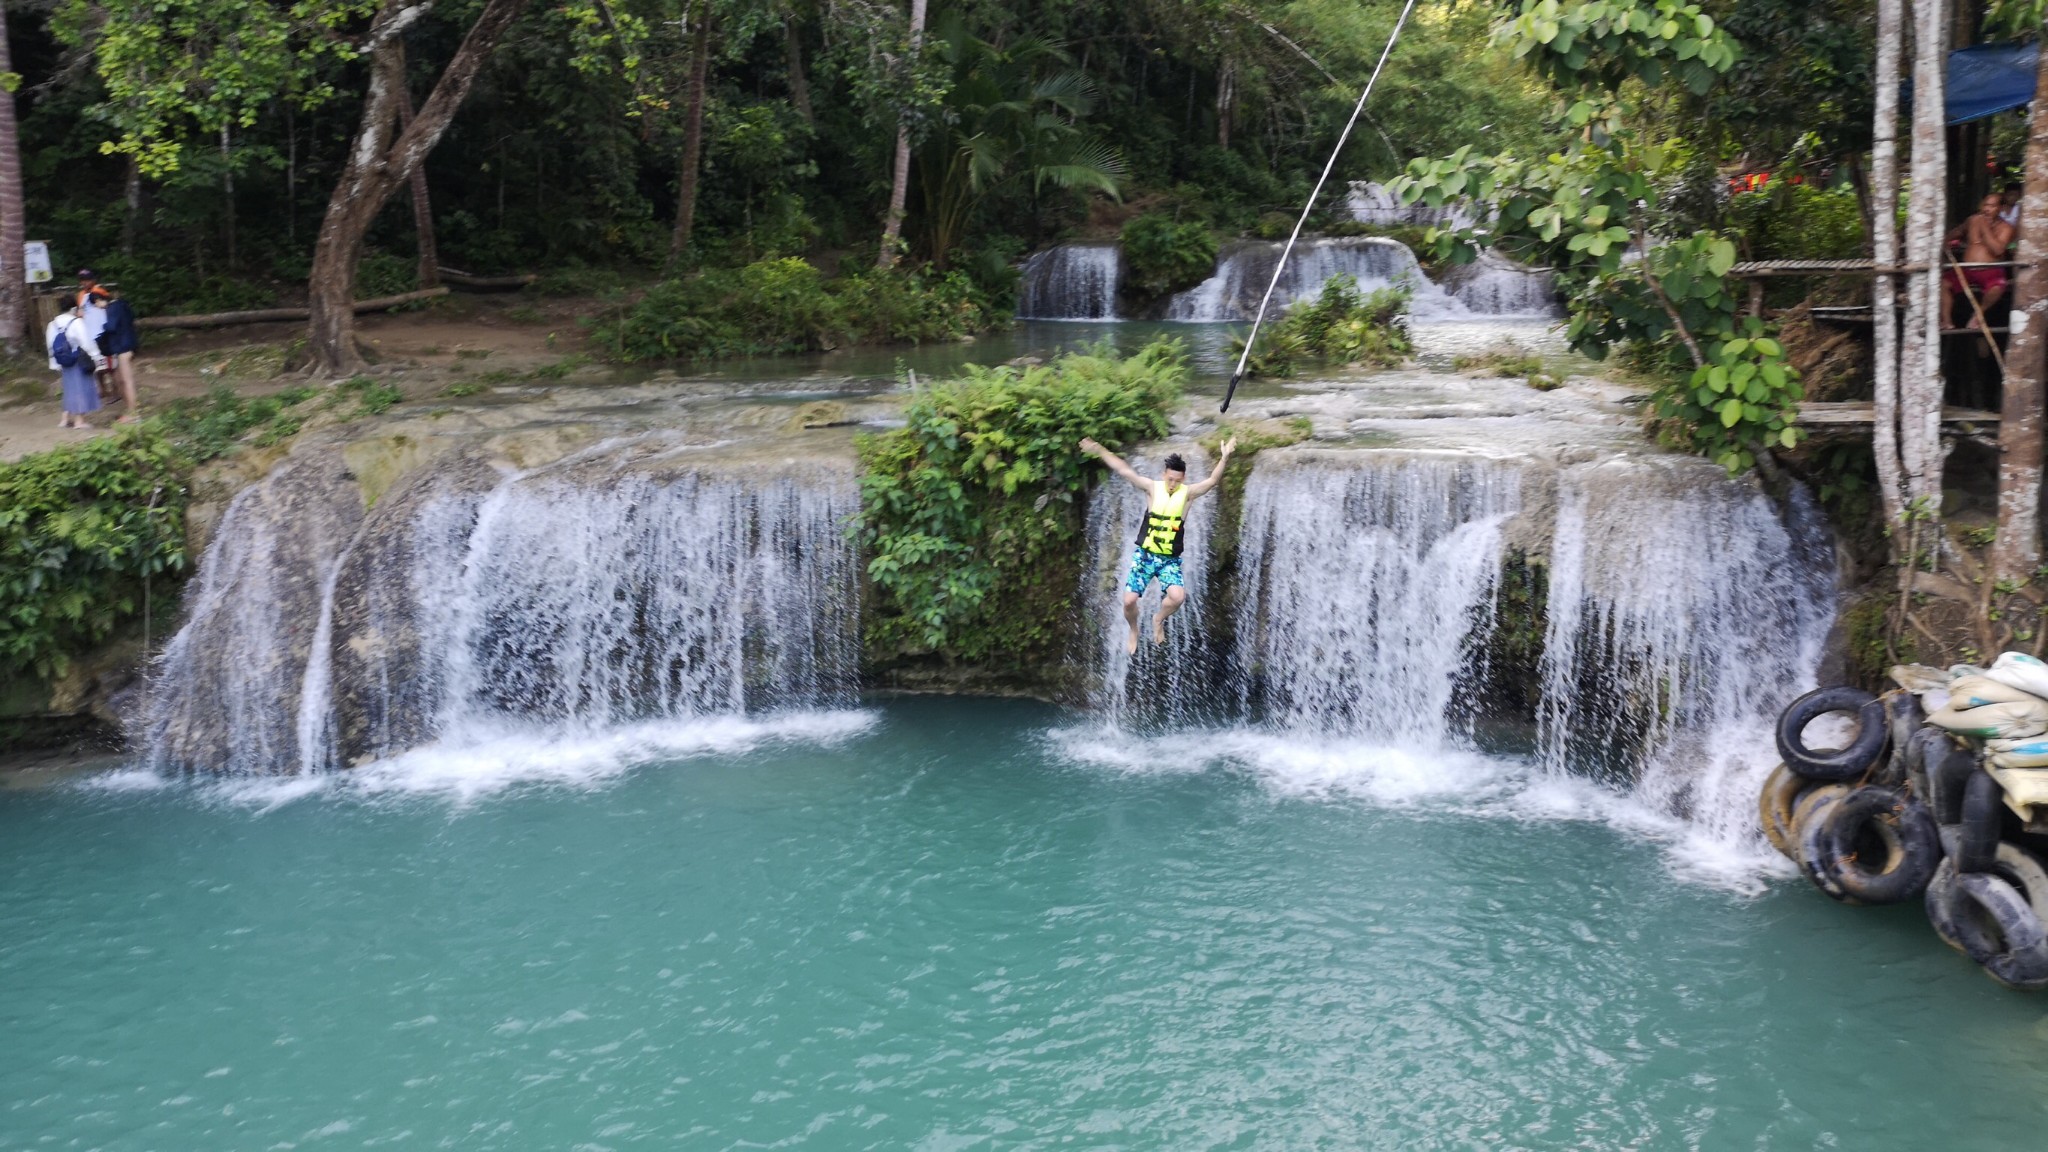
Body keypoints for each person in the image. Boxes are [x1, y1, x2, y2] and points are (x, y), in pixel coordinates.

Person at [1078, 436, 1237, 653]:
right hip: (1145, 555)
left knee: (1178, 597)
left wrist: (1224, 457)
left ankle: (1158, 619)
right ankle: (1134, 630)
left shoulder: (1187, 494)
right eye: (1170, 479)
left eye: (1178, 481)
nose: (1173, 485)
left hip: (1168, 560)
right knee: (1128, 601)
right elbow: (1125, 471)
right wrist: (1099, 449)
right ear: (1164, 475)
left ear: (1184, 479)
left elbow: (1212, 481)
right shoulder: (1152, 488)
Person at [1942, 193, 2017, 330]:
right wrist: (1946, 240)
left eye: (1992, 206)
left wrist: (1984, 228)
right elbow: (1958, 232)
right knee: (1943, 283)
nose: (1987, 209)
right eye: (1985, 205)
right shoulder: (1973, 220)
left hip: (1990, 270)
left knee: (1997, 287)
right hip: (1966, 269)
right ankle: (1946, 321)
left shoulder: (2006, 228)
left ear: (2000, 208)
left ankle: (1978, 315)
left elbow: (1998, 250)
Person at [44, 296, 107, 430]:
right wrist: (97, 357)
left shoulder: (52, 324)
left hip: (62, 361)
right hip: (78, 360)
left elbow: (50, 346)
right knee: (80, 388)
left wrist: (54, 364)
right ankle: (79, 421)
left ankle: (64, 419)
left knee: (68, 389)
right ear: (73, 308)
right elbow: (86, 343)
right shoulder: (76, 322)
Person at [89, 284, 143, 422]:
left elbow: (111, 326)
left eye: (96, 303)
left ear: (99, 299)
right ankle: (129, 409)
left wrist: (103, 329)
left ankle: (133, 413)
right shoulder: (123, 305)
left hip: (123, 347)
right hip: (129, 344)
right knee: (120, 379)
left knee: (126, 380)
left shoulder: (112, 308)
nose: (98, 307)